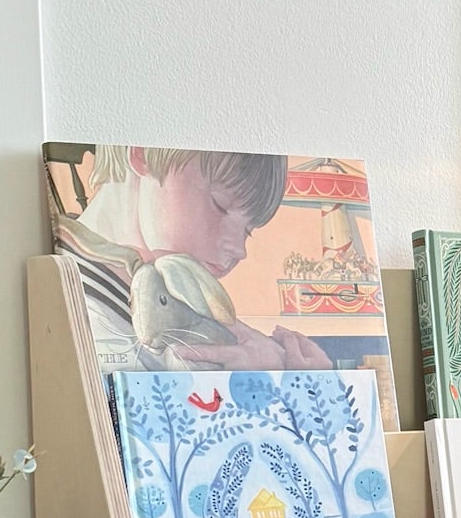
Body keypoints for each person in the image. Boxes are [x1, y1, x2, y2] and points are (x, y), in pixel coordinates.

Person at [48, 144, 332, 372]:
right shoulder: (86, 308)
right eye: (220, 205)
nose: (239, 249)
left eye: (247, 231)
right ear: (142, 153)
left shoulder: (173, 286)